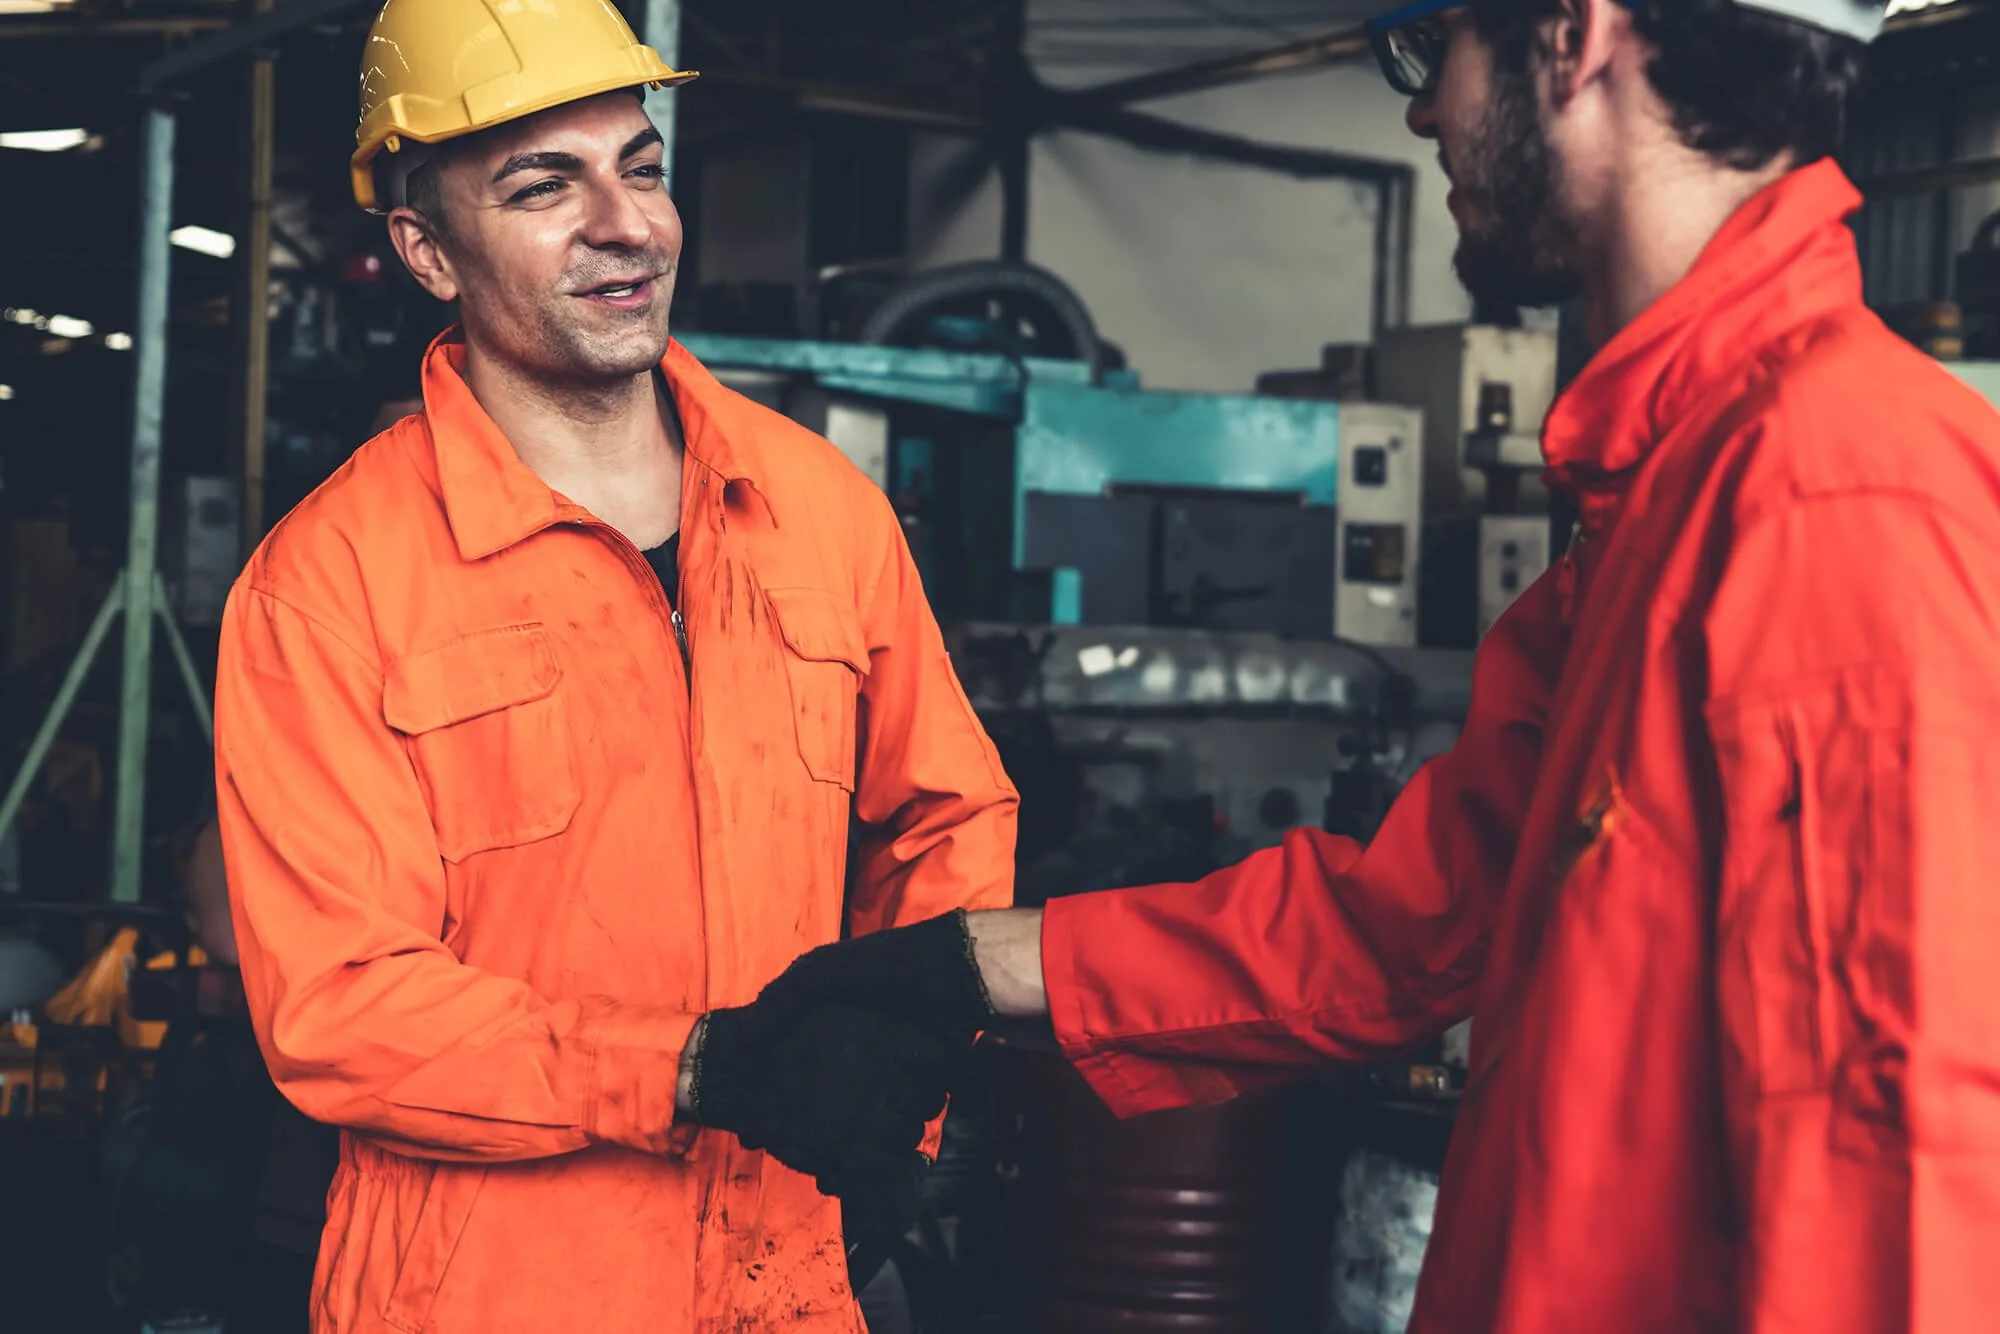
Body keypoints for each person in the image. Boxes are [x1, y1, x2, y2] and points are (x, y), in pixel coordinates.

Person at [753, 1, 2000, 1330]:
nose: (1419, 110)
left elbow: (1899, 1163)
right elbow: (1405, 924)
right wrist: (968, 969)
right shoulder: (1659, 501)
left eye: (1431, 44)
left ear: (1575, 37)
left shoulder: (1835, 491)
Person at [211, 1, 1017, 1331]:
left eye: (639, 166)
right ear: (425, 248)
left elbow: (949, 811)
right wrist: (694, 1065)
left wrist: (903, 1084)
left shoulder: (817, 509)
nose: (627, 223)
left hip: (789, 1275)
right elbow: (339, 1006)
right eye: (544, 185)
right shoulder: (328, 586)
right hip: (490, 1293)